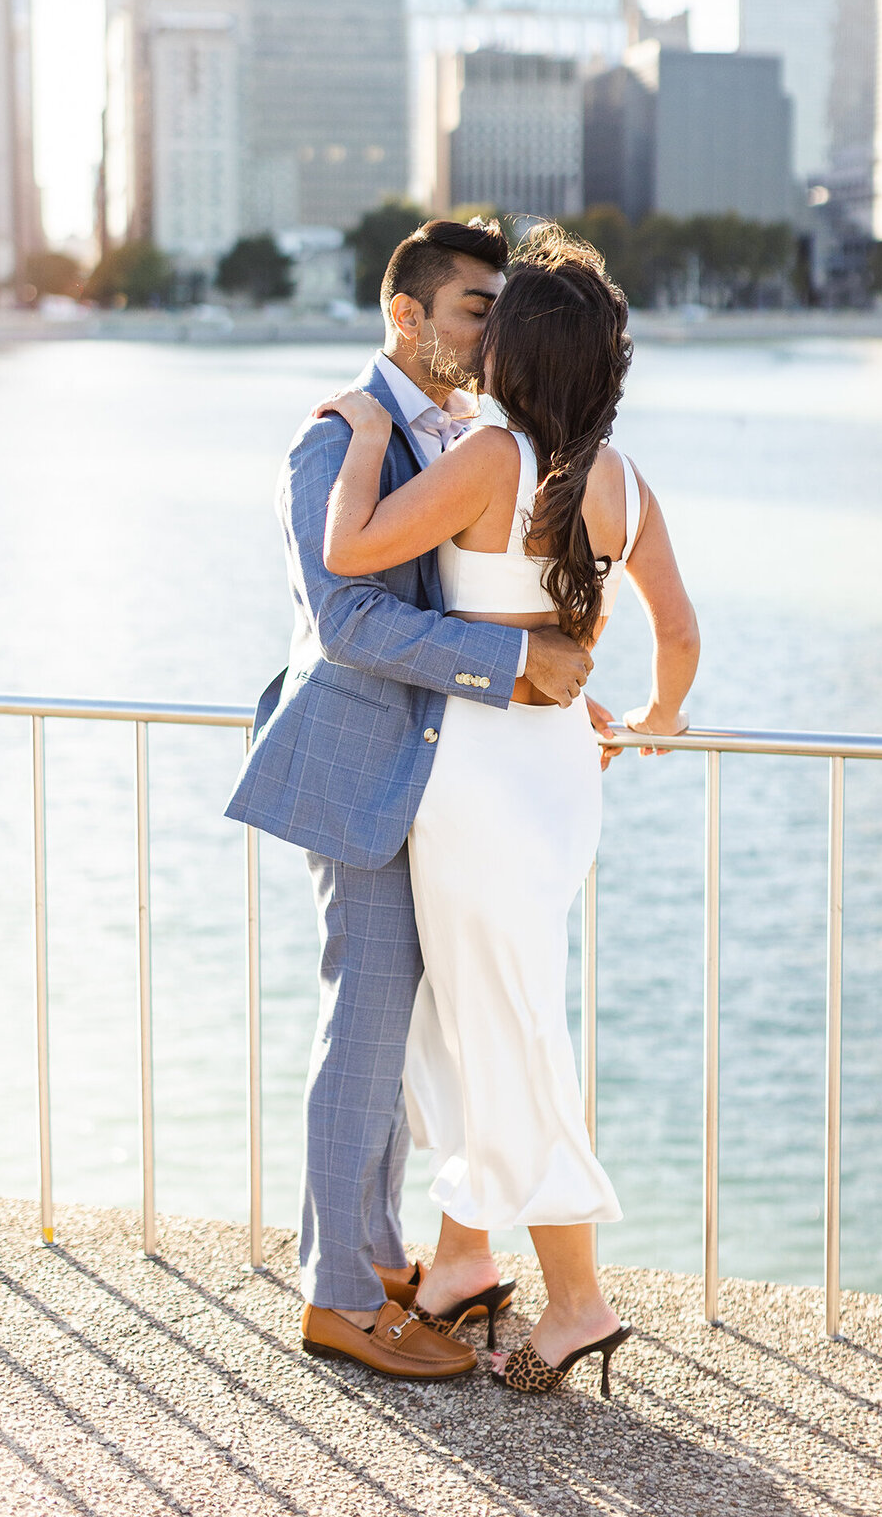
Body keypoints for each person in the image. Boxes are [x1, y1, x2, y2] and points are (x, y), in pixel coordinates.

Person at [314, 224, 700, 1397]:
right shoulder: (623, 482)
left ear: (519, 352)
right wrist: (640, 727)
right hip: (555, 779)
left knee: (507, 1030)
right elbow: (678, 640)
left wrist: (370, 434)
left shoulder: (490, 457)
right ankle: (465, 1255)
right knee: (471, 1020)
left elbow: (349, 552)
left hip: (476, 783)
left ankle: (579, 1299)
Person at [226, 218, 605, 1384]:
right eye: (475, 310)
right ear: (408, 314)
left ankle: (387, 1260)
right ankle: (339, 1296)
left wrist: (550, 682)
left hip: (447, 784)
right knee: (366, 1033)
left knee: (411, 1040)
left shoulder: (469, 439)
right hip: (365, 768)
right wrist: (512, 669)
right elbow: (344, 623)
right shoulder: (335, 435)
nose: (494, 331)